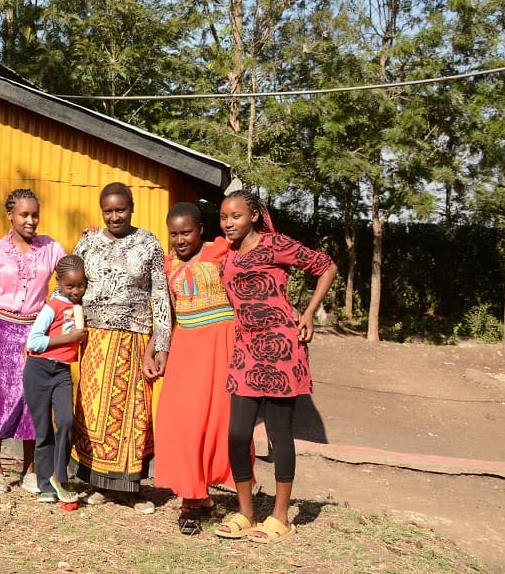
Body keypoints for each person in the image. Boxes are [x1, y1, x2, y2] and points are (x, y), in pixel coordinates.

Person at [215, 189, 337, 543]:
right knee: (238, 435)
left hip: (282, 347)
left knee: (279, 433)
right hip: (246, 349)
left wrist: (309, 312)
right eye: (223, 217)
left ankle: (281, 517)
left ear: (253, 215)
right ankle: (246, 513)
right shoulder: (227, 254)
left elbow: (327, 266)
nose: (228, 223)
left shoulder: (275, 244)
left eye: (235, 216)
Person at [71, 182, 171, 514]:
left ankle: (132, 490)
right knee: (94, 411)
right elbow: (70, 284)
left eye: (121, 209)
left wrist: (161, 344)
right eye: (108, 211)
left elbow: (160, 295)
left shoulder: (149, 243)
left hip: (135, 338)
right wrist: (65, 326)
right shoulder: (88, 242)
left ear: (132, 207)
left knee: (134, 415)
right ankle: (99, 485)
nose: (115, 217)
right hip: (95, 339)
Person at [154, 202, 242, 536]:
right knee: (181, 424)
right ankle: (192, 498)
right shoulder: (169, 266)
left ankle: (213, 496)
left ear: (201, 230)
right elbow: (165, 314)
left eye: (186, 232)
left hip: (223, 347)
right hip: (186, 350)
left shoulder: (221, 252)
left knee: (220, 423)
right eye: (174, 234)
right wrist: (156, 349)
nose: (179, 240)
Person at [0, 188, 65, 495]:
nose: (30, 220)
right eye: (24, 214)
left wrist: (88, 238)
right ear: (10, 215)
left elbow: (73, 271)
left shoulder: (51, 248)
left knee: (32, 399)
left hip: (33, 333)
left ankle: (29, 470)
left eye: (35, 215)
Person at [23, 255, 88, 504]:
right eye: (69, 286)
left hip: (62, 372)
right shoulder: (52, 307)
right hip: (38, 370)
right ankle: (45, 486)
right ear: (59, 282)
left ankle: (59, 476)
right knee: (43, 430)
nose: (75, 291)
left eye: (80, 285)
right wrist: (69, 338)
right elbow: (34, 341)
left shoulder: (82, 306)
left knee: (66, 421)